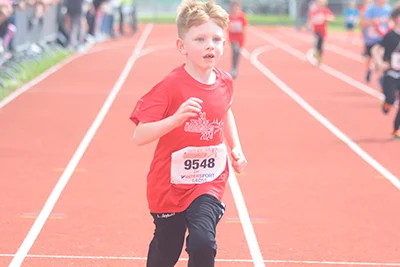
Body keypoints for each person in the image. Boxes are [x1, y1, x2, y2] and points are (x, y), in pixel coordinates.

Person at [129, 0, 248, 266]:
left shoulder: (225, 81)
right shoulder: (171, 86)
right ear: (182, 46)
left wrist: (236, 147)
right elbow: (139, 136)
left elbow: (226, 110)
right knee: (166, 251)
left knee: (203, 242)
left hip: (208, 180)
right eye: (200, 39)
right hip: (169, 185)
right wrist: (175, 119)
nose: (210, 45)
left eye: (217, 39)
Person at [371, 6, 400, 139]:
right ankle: (387, 102)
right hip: (390, 73)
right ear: (395, 19)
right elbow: (376, 49)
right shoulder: (390, 36)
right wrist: (379, 63)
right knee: (391, 98)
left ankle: (396, 129)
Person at [362, 0, 391, 83]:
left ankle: (380, 76)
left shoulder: (388, 9)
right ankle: (369, 69)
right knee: (370, 57)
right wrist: (374, 22)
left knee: (381, 56)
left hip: (383, 37)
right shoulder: (371, 9)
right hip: (371, 37)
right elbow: (364, 22)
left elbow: (392, 21)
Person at [308, 0, 335, 65]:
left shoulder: (326, 11)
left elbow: (332, 18)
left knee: (320, 45)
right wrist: (309, 25)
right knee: (317, 42)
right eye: (319, 4)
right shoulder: (314, 11)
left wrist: (327, 18)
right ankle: (316, 53)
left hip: (323, 31)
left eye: (322, 4)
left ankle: (319, 57)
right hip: (316, 30)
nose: (320, 6)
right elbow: (311, 19)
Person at [227, 0, 247, 79]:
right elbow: (227, 26)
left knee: (237, 52)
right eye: (234, 8)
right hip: (232, 37)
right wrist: (230, 29)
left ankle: (235, 67)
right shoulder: (229, 16)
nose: (235, 9)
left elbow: (245, 27)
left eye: (237, 8)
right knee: (235, 50)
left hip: (240, 38)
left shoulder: (242, 16)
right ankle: (234, 69)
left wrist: (239, 29)